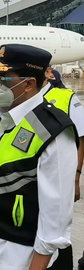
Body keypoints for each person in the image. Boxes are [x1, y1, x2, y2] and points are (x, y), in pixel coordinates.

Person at [0, 44, 78, 270]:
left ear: (29, 84)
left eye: (2, 79)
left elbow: (55, 220)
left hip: (16, 259)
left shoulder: (53, 131)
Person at [41, 64, 84, 268]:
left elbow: (81, 137)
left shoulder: (66, 97)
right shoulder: (17, 99)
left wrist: (76, 177)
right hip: (32, 178)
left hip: (59, 176)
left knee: (58, 225)